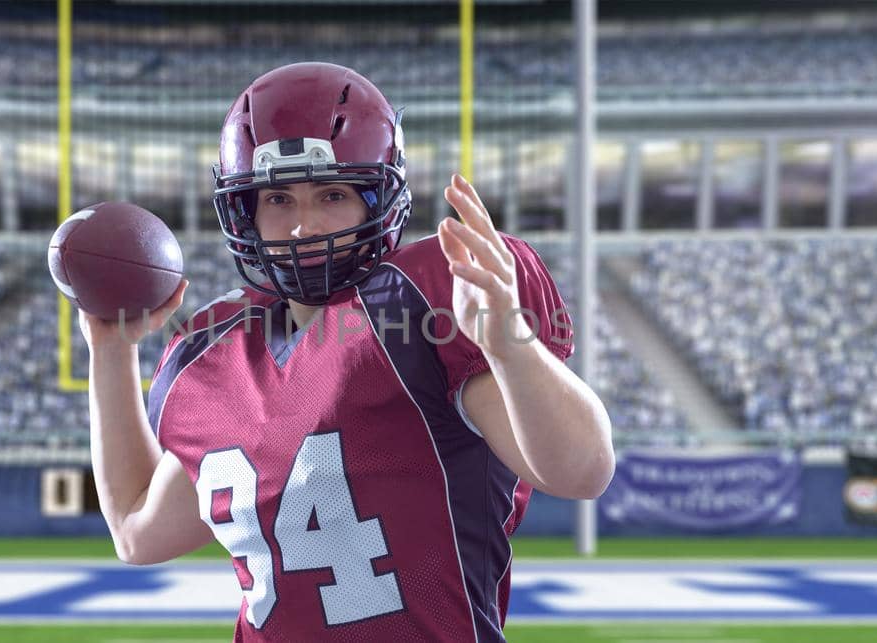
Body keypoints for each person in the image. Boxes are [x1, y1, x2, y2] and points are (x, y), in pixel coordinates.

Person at [78, 61, 615, 642]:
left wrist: (511, 345)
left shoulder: (423, 309)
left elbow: (582, 471)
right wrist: (109, 352)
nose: (303, 227)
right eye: (278, 199)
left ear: (379, 201)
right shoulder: (211, 354)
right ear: (245, 212)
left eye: (332, 194)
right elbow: (136, 532)